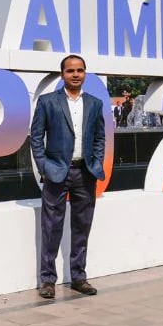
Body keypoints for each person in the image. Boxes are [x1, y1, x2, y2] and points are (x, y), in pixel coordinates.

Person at [29, 54, 107, 299]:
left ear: (85, 73)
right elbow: (36, 137)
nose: (75, 74)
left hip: (85, 172)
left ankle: (78, 277)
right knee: (51, 227)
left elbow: (100, 138)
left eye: (80, 70)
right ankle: (48, 280)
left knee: (82, 226)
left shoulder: (95, 104)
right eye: (70, 70)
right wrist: (44, 167)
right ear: (62, 74)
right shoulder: (48, 102)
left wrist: (96, 161)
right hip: (56, 173)